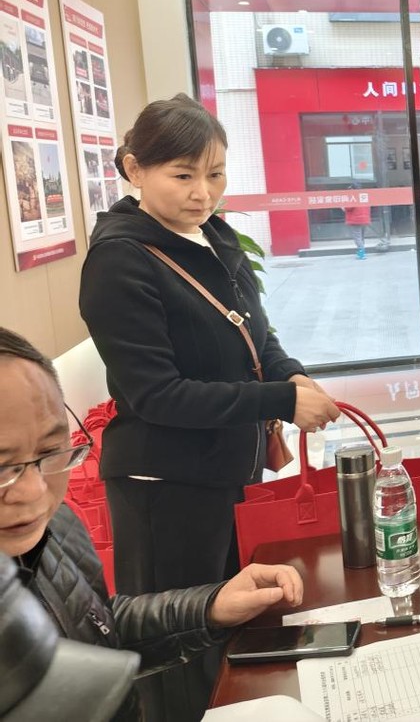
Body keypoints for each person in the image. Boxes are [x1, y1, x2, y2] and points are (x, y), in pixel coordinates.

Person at [78, 93, 339, 719]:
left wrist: (293, 375)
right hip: (165, 489)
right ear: (134, 169)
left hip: (227, 469)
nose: (203, 193)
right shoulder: (119, 261)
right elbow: (157, 395)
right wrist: (281, 399)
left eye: (215, 174)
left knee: (238, 621)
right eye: (183, 176)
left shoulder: (213, 235)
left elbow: (255, 335)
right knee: (182, 648)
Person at [0, 326, 304, 722]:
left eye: (50, 451)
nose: (34, 490)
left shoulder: (57, 525)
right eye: (2, 466)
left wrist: (211, 607)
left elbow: (96, 627)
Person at [343, 182, 371, 260]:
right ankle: (361, 252)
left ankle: (362, 254)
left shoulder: (353, 196)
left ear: (352, 188)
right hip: (364, 219)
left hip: (356, 220)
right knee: (361, 237)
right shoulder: (364, 195)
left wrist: (342, 207)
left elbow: (348, 208)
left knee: (358, 238)